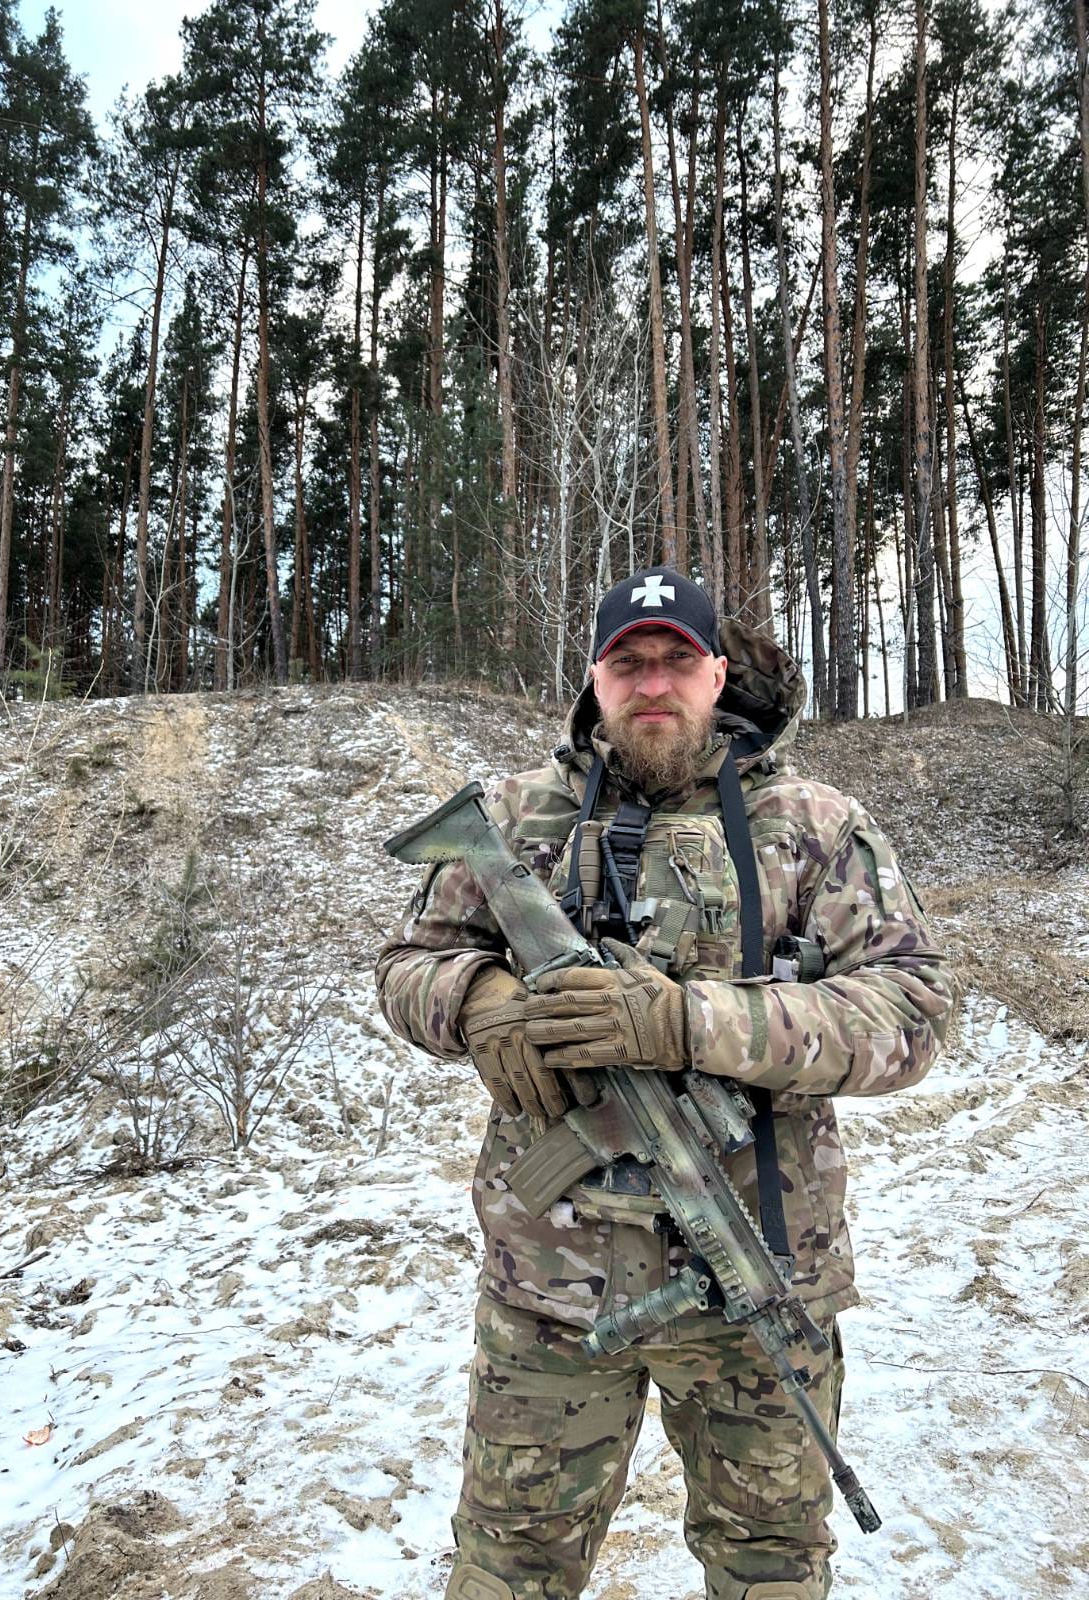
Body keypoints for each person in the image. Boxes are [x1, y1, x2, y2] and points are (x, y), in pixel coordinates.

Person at [375, 567, 955, 1600]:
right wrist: (475, 998)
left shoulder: (814, 826)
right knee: (507, 1570)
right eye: (628, 662)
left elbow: (912, 1014)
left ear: (716, 674)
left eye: (676, 661)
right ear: (595, 678)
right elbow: (407, 967)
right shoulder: (513, 817)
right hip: (549, 1293)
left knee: (769, 1570)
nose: (653, 684)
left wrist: (694, 1023)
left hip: (757, 1284)